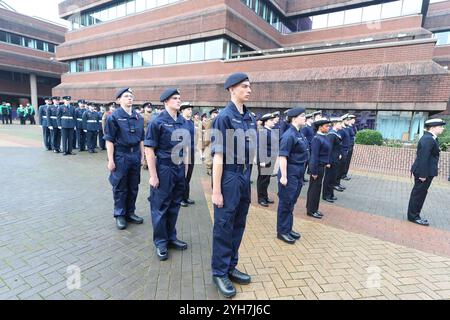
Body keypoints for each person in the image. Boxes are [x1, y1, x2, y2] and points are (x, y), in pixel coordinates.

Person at [210, 72, 256, 298]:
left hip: (244, 176)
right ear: (231, 89)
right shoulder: (223, 118)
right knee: (224, 225)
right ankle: (219, 272)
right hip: (228, 176)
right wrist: (216, 190)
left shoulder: (250, 118)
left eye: (249, 86)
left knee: (238, 223)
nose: (249, 90)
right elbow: (218, 156)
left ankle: (230, 266)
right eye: (244, 86)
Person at [145, 88, 188, 261]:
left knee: (174, 205)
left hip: (178, 168)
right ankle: (161, 242)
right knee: (160, 206)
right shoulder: (157, 122)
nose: (178, 101)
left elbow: (185, 148)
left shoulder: (183, 122)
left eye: (179, 98)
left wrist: (184, 170)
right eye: (175, 98)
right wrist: (153, 175)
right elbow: (149, 150)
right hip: (164, 168)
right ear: (165, 102)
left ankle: (171, 236)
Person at [104, 88, 145, 230]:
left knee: (133, 186)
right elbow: (109, 140)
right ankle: (120, 214)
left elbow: (141, 139)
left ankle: (130, 212)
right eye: (126, 96)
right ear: (119, 100)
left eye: (131, 96)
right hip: (121, 155)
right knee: (120, 186)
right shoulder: (113, 117)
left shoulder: (139, 117)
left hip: (135, 155)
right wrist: (111, 160)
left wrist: (142, 157)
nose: (129, 98)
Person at [277, 107, 309, 245]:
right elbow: (283, 157)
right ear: (294, 118)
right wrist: (283, 176)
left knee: (291, 203)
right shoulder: (289, 135)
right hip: (290, 172)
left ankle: (288, 229)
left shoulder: (299, 133)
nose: (305, 118)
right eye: (302, 116)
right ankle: (282, 232)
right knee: (286, 202)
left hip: (298, 172)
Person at [407, 118, 446, 226]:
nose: (442, 128)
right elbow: (423, 158)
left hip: (427, 171)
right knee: (418, 194)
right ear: (433, 128)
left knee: (420, 194)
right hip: (423, 173)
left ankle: (414, 215)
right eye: (440, 126)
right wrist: (423, 175)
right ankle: (413, 217)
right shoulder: (428, 139)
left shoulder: (432, 138)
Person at [306, 118, 332, 219]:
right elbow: (314, 156)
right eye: (326, 126)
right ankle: (311, 210)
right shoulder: (317, 138)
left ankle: (314, 208)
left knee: (317, 189)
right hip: (317, 168)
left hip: (322, 166)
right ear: (320, 127)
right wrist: (314, 171)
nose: (328, 128)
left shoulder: (323, 137)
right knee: (314, 189)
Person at [256, 113, 278, 207]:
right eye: (271, 120)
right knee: (262, 180)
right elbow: (261, 148)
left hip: (270, 159)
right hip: (264, 159)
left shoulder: (270, 131)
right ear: (265, 122)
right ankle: (261, 198)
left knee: (267, 179)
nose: (273, 122)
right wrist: (262, 161)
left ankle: (265, 196)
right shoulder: (263, 132)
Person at [322, 117, 343, 203]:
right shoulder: (331, 134)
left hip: (335, 159)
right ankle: (326, 195)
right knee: (328, 178)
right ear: (335, 124)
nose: (341, 125)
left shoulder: (336, 133)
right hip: (331, 160)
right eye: (339, 123)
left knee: (332, 177)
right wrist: (328, 161)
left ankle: (330, 194)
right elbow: (329, 149)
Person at [180, 102, 196, 207]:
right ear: (182, 110)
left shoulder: (191, 122)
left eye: (191, 109)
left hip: (191, 151)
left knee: (188, 174)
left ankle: (186, 196)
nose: (190, 111)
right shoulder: (180, 121)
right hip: (181, 152)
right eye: (188, 109)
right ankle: (180, 198)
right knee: (182, 175)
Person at [335, 114, 350, 191]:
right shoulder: (341, 130)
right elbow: (339, 142)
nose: (348, 121)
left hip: (345, 151)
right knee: (338, 169)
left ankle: (338, 183)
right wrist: (340, 153)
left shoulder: (345, 129)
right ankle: (335, 183)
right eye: (347, 120)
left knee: (341, 168)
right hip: (342, 151)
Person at [203, 108, 219, 176]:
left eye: (217, 113)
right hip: (210, 142)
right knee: (209, 157)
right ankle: (209, 170)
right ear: (212, 114)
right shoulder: (209, 121)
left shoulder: (218, 120)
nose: (216, 115)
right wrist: (206, 142)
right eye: (214, 113)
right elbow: (207, 132)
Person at [341, 114, 357, 181]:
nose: (354, 121)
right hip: (347, 146)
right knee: (345, 161)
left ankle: (344, 174)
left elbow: (354, 134)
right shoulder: (347, 128)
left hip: (350, 146)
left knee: (347, 161)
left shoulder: (352, 127)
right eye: (353, 119)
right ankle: (343, 174)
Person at [301, 113, 315, 183]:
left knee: (306, 164)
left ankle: (302, 177)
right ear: (308, 119)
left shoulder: (310, 127)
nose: (312, 120)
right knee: (304, 163)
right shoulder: (305, 127)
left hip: (310, 147)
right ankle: (301, 178)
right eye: (311, 118)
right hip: (307, 147)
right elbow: (304, 138)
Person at [141, 102, 154, 170]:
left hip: (153, 134)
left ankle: (151, 163)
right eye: (147, 107)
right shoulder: (141, 116)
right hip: (145, 133)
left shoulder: (154, 115)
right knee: (145, 149)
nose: (149, 108)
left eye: (150, 107)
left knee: (152, 149)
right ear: (144, 108)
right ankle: (145, 164)